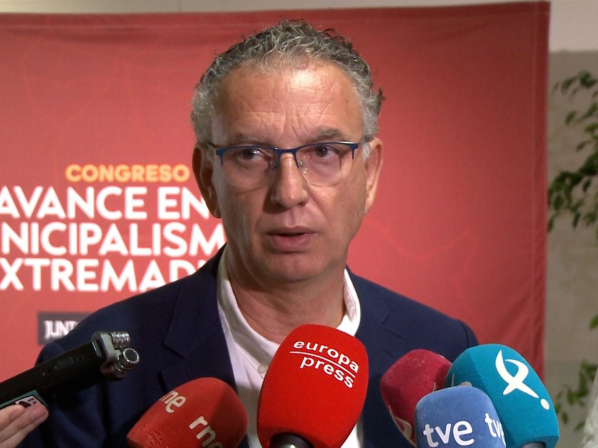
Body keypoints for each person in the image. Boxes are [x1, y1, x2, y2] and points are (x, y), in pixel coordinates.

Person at [23, 20, 477, 447]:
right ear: (208, 179)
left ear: (370, 174)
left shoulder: (445, 352)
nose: (289, 192)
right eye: (251, 155)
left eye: (323, 151)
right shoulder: (91, 376)